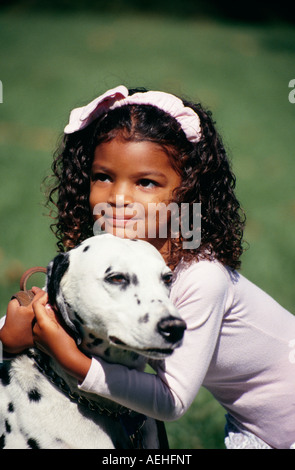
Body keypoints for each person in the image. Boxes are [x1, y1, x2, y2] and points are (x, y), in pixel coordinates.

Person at [1, 85, 295, 449]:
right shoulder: (127, 248)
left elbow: (171, 401)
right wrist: (18, 331)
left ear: (187, 192)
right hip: (260, 427)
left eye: (145, 182)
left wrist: (68, 356)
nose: (119, 198)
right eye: (103, 176)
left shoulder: (203, 277)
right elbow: (80, 300)